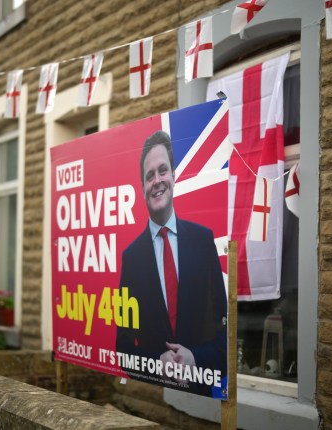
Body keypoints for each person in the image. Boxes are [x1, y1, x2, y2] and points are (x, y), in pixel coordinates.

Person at [116, 130, 227, 396]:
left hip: (201, 394)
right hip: (155, 400)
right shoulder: (131, 258)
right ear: (142, 188)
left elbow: (224, 330)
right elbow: (123, 346)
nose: (157, 181)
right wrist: (156, 363)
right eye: (149, 175)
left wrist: (196, 357)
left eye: (162, 170)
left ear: (174, 176)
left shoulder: (203, 240)